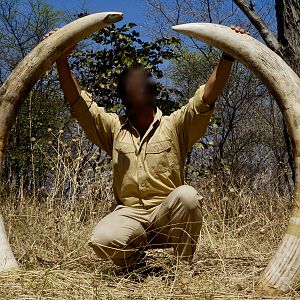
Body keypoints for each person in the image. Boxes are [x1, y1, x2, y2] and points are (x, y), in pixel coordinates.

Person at [44, 25, 247, 270]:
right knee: (101, 241)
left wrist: (228, 54)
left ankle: (181, 271)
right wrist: (60, 59)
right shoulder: (113, 128)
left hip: (168, 217)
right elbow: (80, 104)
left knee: (187, 196)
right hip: (129, 216)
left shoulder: (176, 125)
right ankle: (138, 265)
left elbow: (206, 96)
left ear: (152, 92)